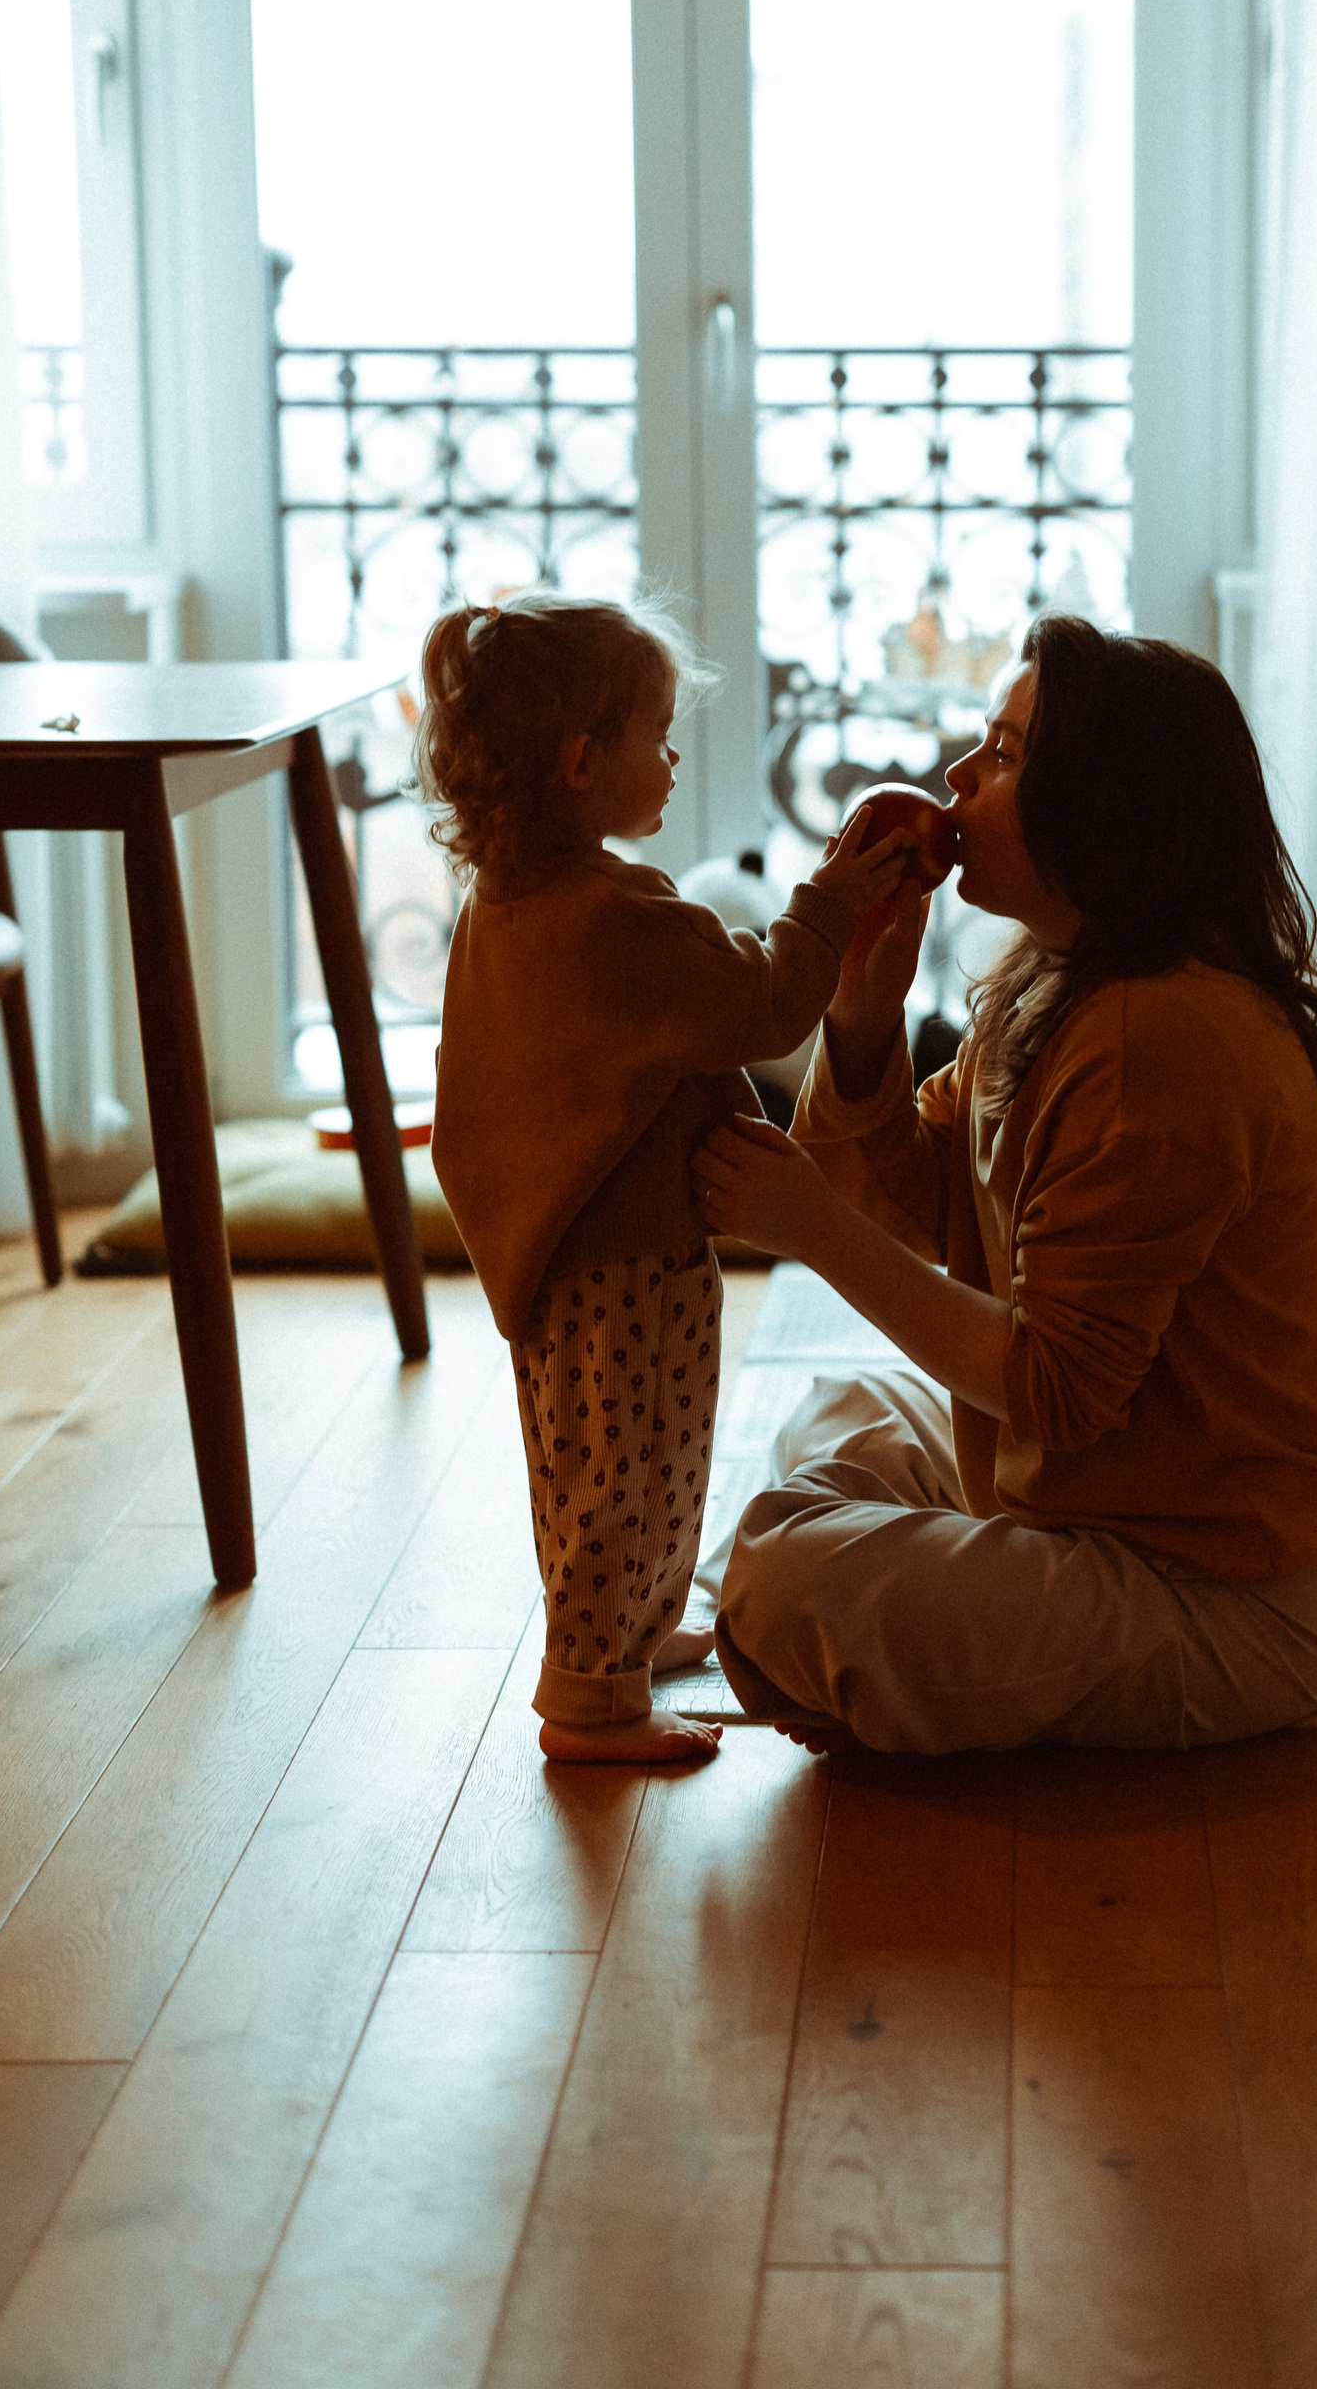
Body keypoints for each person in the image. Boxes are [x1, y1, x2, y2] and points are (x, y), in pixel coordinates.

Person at [692, 614, 1317, 1755]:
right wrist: (861, 1011)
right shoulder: (1054, 981)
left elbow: (1056, 1391)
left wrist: (811, 1231)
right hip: (1093, 1494)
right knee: (845, 1415)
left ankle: (851, 1650)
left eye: (1006, 754)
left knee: (783, 1575)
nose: (958, 778)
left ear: (1103, 806)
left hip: (1224, 1590)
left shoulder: (1157, 1035)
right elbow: (922, 1199)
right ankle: (883, 1650)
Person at [419, 592, 908, 1766]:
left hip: (582, 1253)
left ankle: (629, 1634)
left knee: (629, 1461)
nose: (674, 758)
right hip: (621, 1260)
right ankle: (591, 1702)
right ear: (583, 763)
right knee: (624, 1476)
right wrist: (832, 903)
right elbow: (764, 1004)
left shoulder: (508, 901)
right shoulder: (616, 913)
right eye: (658, 734)